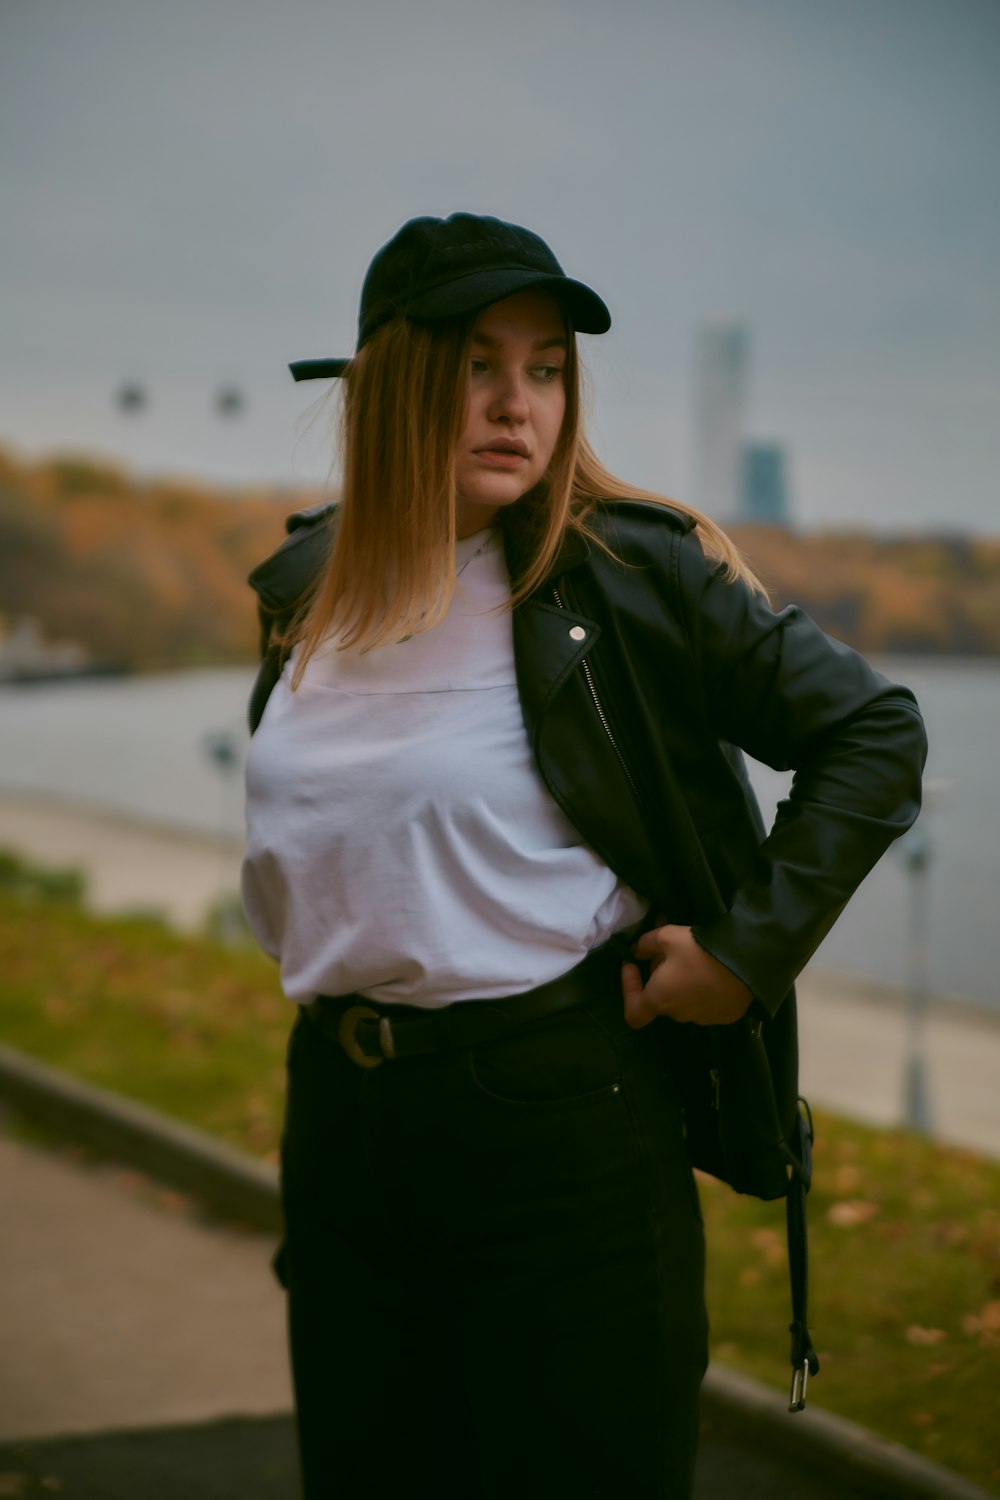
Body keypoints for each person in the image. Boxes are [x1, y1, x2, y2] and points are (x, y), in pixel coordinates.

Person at [241, 212, 927, 1500]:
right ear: (392, 379)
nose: (519, 404)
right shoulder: (307, 588)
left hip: (559, 1124)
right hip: (344, 1120)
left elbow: (872, 733)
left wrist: (743, 954)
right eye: (479, 364)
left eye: (547, 367)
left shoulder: (625, 574)